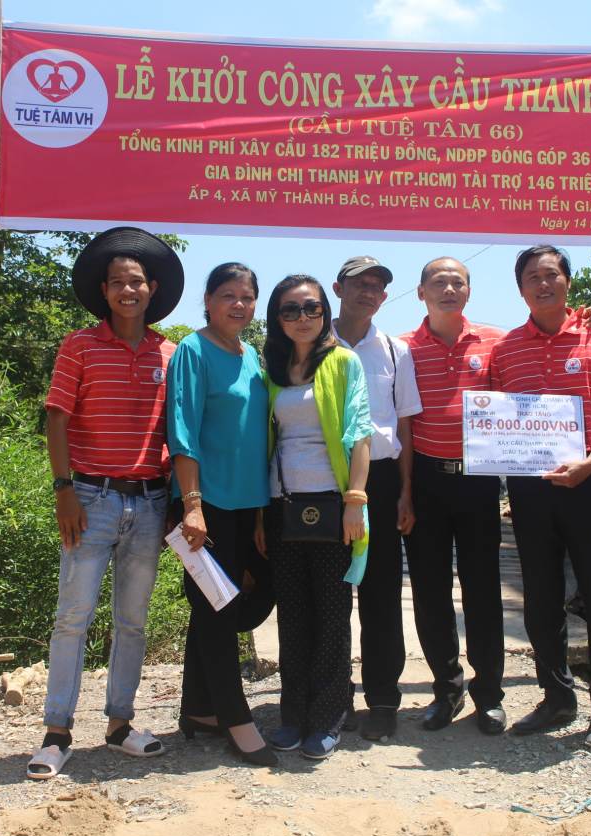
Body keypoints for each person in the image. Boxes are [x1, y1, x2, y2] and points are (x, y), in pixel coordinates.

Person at [28, 227, 184, 780]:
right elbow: (57, 418)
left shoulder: (171, 353)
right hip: (90, 499)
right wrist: (63, 489)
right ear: (104, 290)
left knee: (133, 621)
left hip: (149, 502)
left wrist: (180, 501)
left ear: (152, 288)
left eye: (136, 281)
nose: (127, 290)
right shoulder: (79, 346)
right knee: (72, 618)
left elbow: (177, 431)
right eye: (117, 282)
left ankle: (120, 724)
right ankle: (56, 732)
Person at [492, 245, 591, 752]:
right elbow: (494, 418)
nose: (543, 283)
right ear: (520, 289)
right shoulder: (506, 349)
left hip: (589, 482)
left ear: (568, 282)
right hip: (530, 489)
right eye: (532, 277)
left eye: (551, 274)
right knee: (540, 597)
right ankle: (556, 698)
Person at [166, 262, 278, 767]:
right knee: (217, 609)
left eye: (247, 296)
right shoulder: (192, 350)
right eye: (228, 294)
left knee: (234, 603)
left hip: (247, 504)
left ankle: (198, 708)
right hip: (205, 504)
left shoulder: (251, 354)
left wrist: (260, 512)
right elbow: (182, 430)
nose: (239, 304)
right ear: (208, 300)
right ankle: (235, 718)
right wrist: (192, 506)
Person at [259, 274, 373, 760]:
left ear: (325, 312)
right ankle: (293, 715)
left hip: (331, 504)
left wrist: (355, 500)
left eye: (311, 308)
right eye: (290, 309)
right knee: (292, 615)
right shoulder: (272, 368)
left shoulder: (343, 362)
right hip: (281, 505)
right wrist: (259, 515)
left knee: (331, 615)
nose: (302, 318)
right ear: (277, 318)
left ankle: (328, 718)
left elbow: (360, 432)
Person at [402, 257, 508, 735]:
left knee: (482, 588)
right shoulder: (403, 349)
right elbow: (402, 424)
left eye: (457, 282)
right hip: (426, 479)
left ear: (468, 291)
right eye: (439, 282)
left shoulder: (496, 342)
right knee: (429, 591)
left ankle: (490, 694)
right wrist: (405, 493)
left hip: (479, 480)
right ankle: (447, 688)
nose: (449, 289)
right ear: (421, 291)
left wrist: (584, 316)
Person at [330, 256, 422, 741]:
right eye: (359, 284)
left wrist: (406, 491)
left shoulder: (394, 350)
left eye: (376, 287)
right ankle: (334, 696)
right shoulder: (313, 341)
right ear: (338, 288)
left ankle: (383, 700)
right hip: (324, 480)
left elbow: (404, 424)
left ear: (384, 297)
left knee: (381, 594)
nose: (368, 292)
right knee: (330, 595)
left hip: (382, 481)